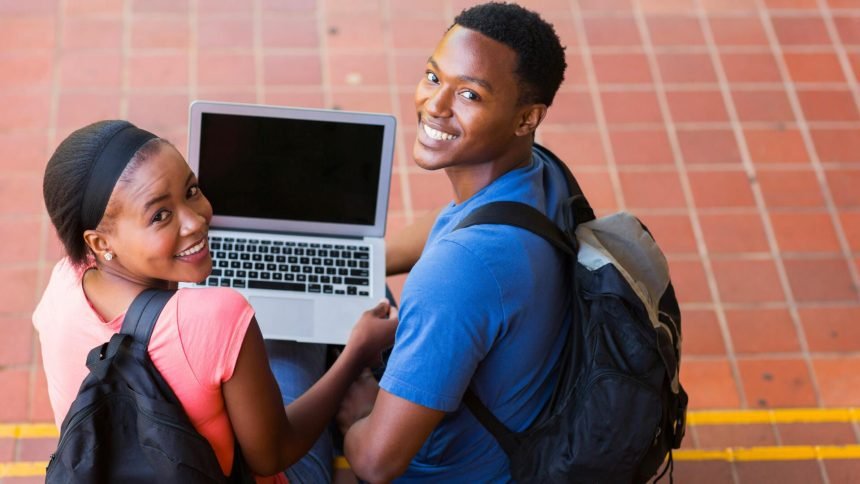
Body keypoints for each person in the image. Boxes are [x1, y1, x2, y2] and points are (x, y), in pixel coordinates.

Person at [33, 120, 397, 483]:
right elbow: (273, 457)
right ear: (99, 243)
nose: (196, 221)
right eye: (160, 215)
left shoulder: (61, 287)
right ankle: (357, 405)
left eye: (191, 190)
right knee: (312, 329)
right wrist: (356, 355)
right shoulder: (219, 316)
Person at [337, 2, 571, 482]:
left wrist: (357, 393)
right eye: (432, 76)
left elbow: (376, 463)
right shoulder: (539, 172)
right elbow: (453, 219)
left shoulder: (457, 274)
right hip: (519, 428)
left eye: (469, 94)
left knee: (281, 398)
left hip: (446, 471)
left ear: (527, 118)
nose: (435, 105)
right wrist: (352, 263)